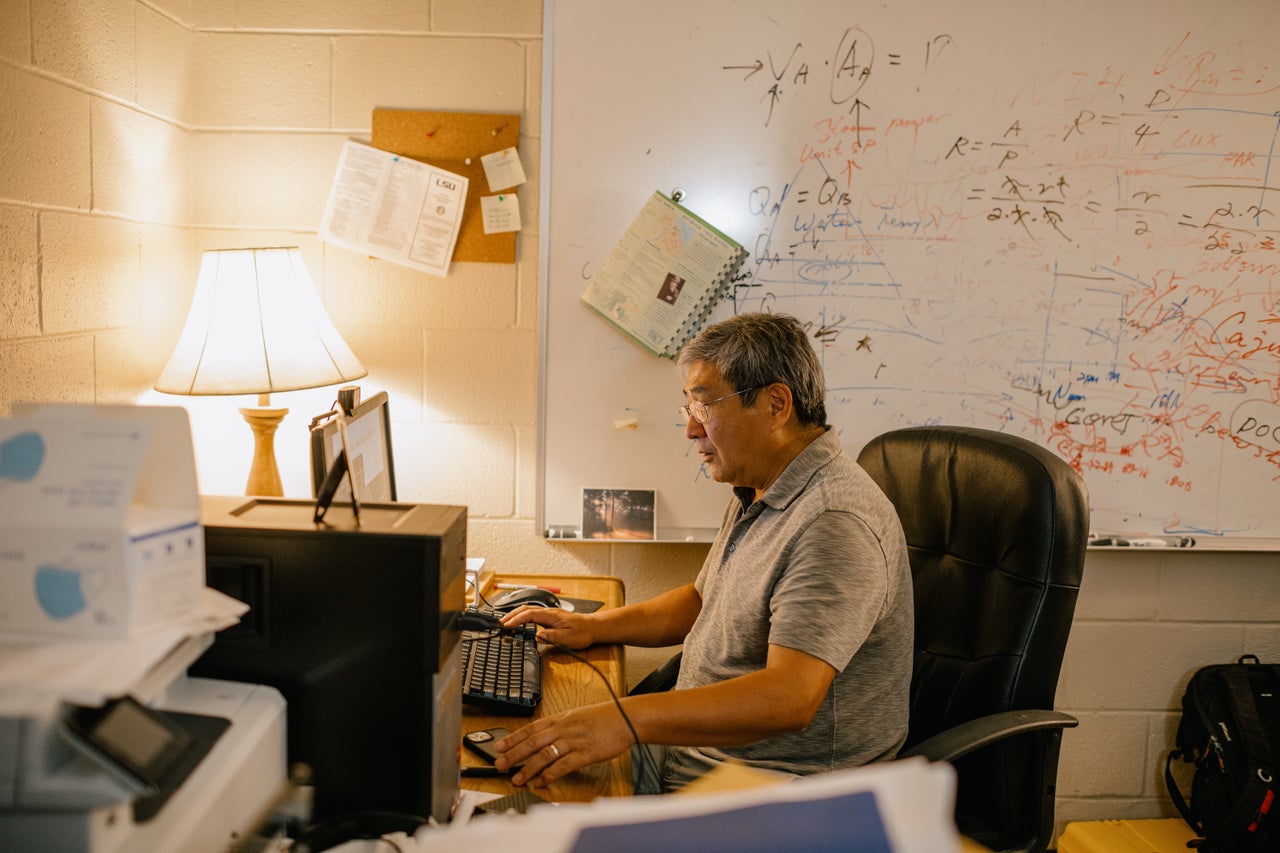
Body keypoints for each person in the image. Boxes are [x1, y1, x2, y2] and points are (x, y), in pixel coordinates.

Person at [495, 312, 913, 793]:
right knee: (502, 767)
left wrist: (624, 719)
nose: (692, 431)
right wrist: (591, 627)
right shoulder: (764, 484)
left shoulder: (832, 521)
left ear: (776, 405)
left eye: (705, 407)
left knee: (520, 799)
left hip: (773, 788)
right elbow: (702, 600)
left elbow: (789, 698)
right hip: (698, 755)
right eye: (688, 410)